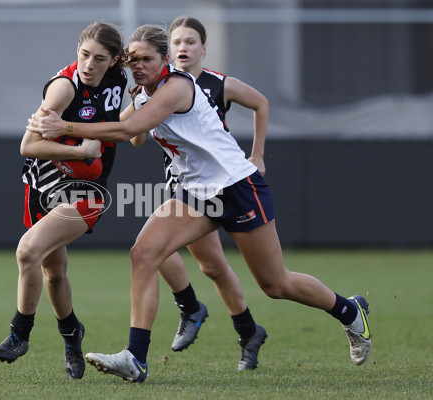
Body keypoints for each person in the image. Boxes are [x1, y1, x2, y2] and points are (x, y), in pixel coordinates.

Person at [28, 24, 371, 383]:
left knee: (275, 284)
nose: (140, 65)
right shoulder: (142, 96)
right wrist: (63, 112)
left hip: (236, 186)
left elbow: (127, 131)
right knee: (144, 253)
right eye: (134, 59)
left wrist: (64, 127)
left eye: (148, 58)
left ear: (165, 60)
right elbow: (125, 131)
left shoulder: (176, 86)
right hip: (194, 194)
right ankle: (136, 358)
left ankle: (349, 311)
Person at [126, 16, 270, 370]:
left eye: (190, 41)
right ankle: (202, 312)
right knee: (201, 263)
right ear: (168, 51)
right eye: (177, 43)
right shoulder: (154, 87)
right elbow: (135, 136)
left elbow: (261, 103)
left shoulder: (215, 84)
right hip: (186, 185)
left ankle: (208, 316)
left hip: (226, 181)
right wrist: (138, 100)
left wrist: (258, 154)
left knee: (243, 273)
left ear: (204, 48)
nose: (183, 48)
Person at [0, 21, 128, 380]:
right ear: (76, 51)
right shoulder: (64, 90)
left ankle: (20, 333)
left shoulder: (120, 78)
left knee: (26, 251)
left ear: (114, 61)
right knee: (53, 273)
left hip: (87, 191)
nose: (89, 64)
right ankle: (71, 336)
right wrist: (82, 148)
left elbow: (147, 60)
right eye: (84, 55)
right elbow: (28, 146)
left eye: (99, 58)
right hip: (44, 184)